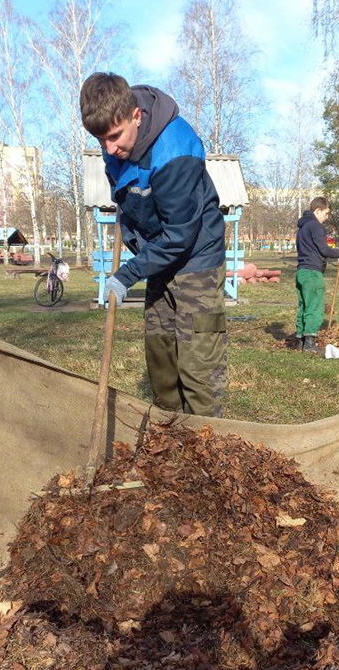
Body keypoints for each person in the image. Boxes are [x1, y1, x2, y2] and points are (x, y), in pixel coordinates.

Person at [81, 72, 226, 417]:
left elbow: (179, 236)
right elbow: (129, 200)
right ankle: (169, 436)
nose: (109, 149)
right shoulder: (115, 148)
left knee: (198, 363)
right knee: (161, 354)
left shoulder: (174, 153)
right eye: (101, 141)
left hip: (196, 261)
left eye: (114, 138)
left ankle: (206, 441)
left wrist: (128, 273)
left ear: (136, 115)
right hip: (159, 258)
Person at [294, 197, 339, 353]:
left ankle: (300, 340)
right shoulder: (316, 226)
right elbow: (324, 250)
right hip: (312, 273)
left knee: (304, 306)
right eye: (326, 213)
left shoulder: (302, 228)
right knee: (315, 307)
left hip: (301, 271)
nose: (327, 217)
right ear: (317, 210)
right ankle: (310, 343)